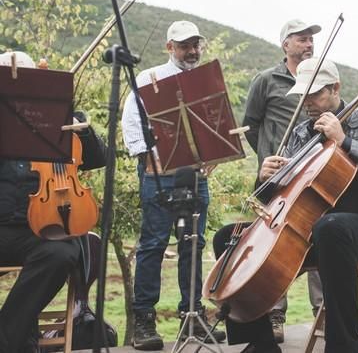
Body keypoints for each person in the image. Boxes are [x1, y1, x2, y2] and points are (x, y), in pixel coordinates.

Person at [258, 57, 358, 352]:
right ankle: (261, 345)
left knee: (331, 227)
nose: (307, 103)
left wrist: (346, 141)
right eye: (303, 95)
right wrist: (266, 180)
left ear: (336, 88)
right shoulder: (301, 133)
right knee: (231, 237)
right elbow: (280, 199)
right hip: (311, 232)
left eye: (314, 94)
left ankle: (343, 348)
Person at [121, 21, 225, 350]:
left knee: (191, 243)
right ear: (170, 47)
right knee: (152, 244)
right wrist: (146, 158)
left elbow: (217, 122)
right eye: (184, 46)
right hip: (157, 174)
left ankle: (192, 315)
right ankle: (143, 321)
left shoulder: (207, 80)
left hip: (194, 175)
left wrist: (215, 154)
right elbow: (131, 122)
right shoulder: (148, 78)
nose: (192, 51)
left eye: (196, 45)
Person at [0, 51, 106, 353]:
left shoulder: (55, 113)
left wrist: (81, 129)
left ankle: (7, 334)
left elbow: (99, 158)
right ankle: (20, 340)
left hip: (40, 227)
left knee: (62, 252)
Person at [242, 19, 324, 342]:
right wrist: (266, 156)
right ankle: (275, 315)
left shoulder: (320, 78)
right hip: (276, 177)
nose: (309, 44)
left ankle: (324, 311)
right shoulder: (265, 80)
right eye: (302, 39)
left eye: (311, 40)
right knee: (273, 249)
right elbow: (250, 124)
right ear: (285, 44)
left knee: (318, 236)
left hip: (313, 174)